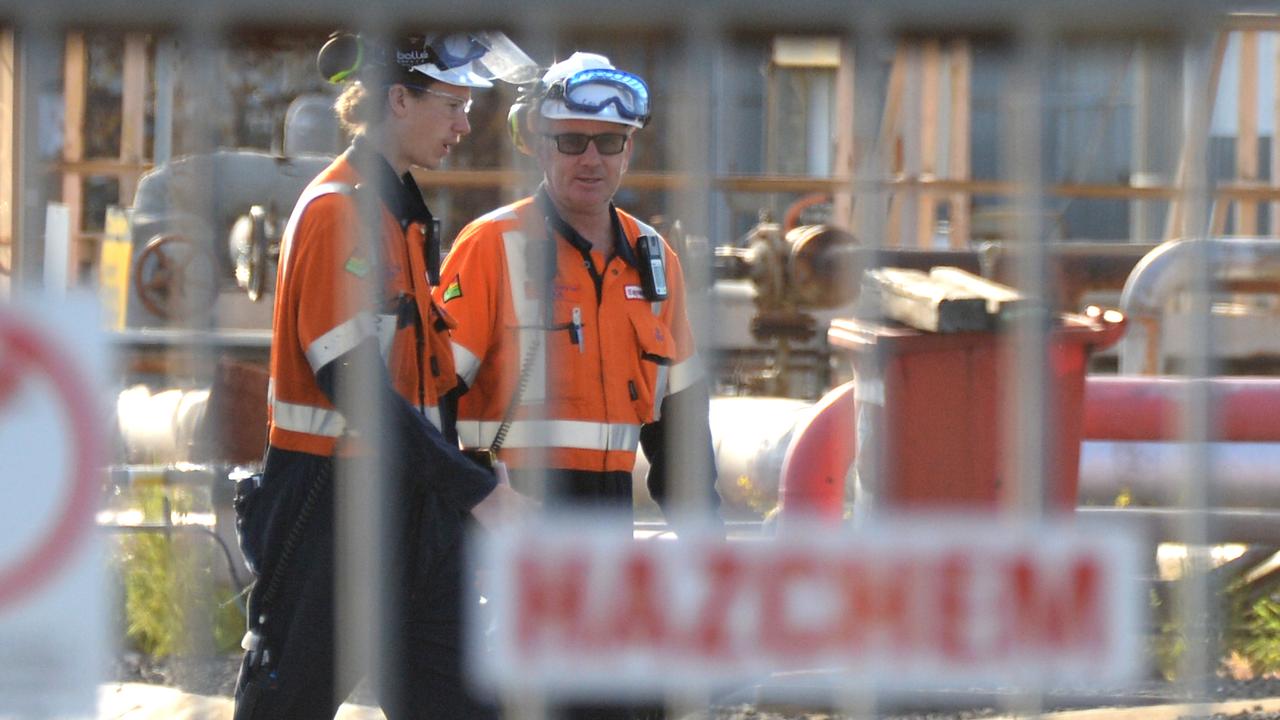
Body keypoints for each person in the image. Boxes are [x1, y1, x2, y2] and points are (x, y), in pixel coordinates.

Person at [233, 31, 533, 720]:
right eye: (454, 105)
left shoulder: (397, 215)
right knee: (290, 705)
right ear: (399, 99)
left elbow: (420, 385)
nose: (465, 125)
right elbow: (357, 388)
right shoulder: (341, 211)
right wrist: (476, 492)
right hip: (328, 510)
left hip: (413, 507)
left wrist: (471, 472)